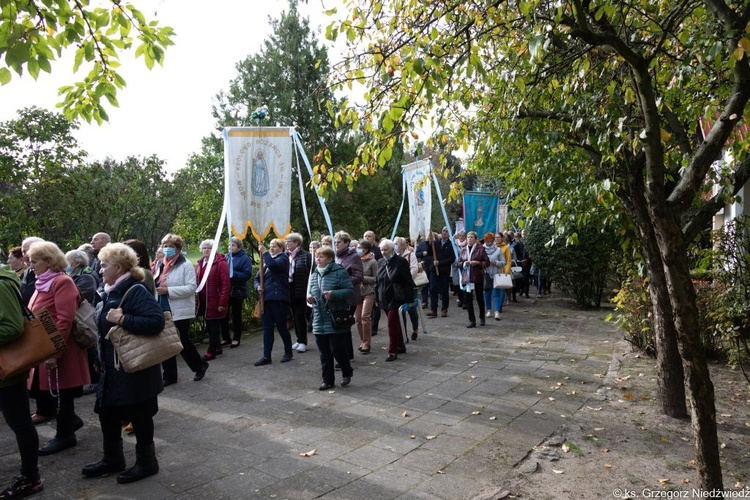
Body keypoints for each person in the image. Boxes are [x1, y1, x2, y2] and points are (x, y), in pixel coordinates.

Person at [81, 243, 165, 484]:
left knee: (140, 416)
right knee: (107, 414)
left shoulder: (134, 290)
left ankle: (147, 463)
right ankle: (113, 459)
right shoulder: (108, 290)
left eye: (104, 264)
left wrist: (124, 318)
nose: (99, 268)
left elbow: (155, 322)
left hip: (134, 368)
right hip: (112, 370)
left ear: (118, 267)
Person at [27, 241, 90, 455]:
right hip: (49, 346)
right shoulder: (44, 280)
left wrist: (55, 352)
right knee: (57, 392)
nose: (30, 264)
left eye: (34, 261)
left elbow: (64, 320)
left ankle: (65, 435)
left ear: (49, 261)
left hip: (62, 348)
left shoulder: (61, 281)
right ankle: (69, 423)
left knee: (61, 392)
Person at [0, 266, 44, 498]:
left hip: (7, 372)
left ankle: (30, 478)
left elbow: (13, 327)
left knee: (20, 424)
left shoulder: (1, 283)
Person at [154, 234, 208, 385]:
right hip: (161, 308)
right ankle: (169, 376)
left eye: (170, 246)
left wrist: (168, 290)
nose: (167, 249)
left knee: (181, 341)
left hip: (179, 309)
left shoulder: (186, 266)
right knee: (165, 342)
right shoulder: (160, 264)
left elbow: (191, 288)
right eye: (165, 246)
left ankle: (199, 365)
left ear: (178, 249)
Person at [307, 246, 355, 390]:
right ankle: (327, 380)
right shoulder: (314, 273)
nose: (318, 259)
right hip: (318, 318)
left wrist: (333, 294)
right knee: (324, 353)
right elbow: (311, 291)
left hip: (334, 318)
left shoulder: (339, 272)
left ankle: (347, 371)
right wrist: (311, 299)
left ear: (329, 259)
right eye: (317, 256)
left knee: (337, 349)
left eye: (321, 257)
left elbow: (350, 291)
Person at [252, 239, 294, 366]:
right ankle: (266, 356)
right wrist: (257, 286)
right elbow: (256, 278)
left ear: (281, 248)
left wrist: (264, 253)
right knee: (267, 329)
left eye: (274, 246)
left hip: (279, 298)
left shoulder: (283, 258)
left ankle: (288, 352)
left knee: (281, 326)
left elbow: (274, 266)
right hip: (266, 299)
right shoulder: (266, 262)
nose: (271, 249)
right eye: (270, 246)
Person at [376, 239, 415, 362]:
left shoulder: (400, 261)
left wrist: (409, 299)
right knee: (395, 323)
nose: (383, 252)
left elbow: (408, 281)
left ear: (392, 249)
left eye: (385, 249)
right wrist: (377, 297)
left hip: (395, 297)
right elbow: (378, 281)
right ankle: (400, 346)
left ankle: (392, 350)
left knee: (391, 324)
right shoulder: (380, 261)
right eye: (381, 250)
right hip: (384, 297)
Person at [195, 240, 230, 361]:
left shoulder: (221, 263)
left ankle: (211, 351)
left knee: (214, 326)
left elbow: (226, 284)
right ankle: (218, 347)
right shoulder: (200, 263)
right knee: (210, 326)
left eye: (209, 248)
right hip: (203, 300)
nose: (206, 250)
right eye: (204, 248)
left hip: (215, 300)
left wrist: (222, 303)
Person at [333, 231, 363, 360]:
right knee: (341, 327)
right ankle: (347, 355)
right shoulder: (336, 256)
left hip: (349, 297)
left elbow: (358, 276)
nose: (336, 244)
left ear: (346, 243)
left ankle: (345, 356)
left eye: (338, 242)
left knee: (343, 326)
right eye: (335, 242)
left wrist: (341, 282)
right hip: (338, 297)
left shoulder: (353, 256)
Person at [221, 238, 252, 348]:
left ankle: (236, 338)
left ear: (239, 246)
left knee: (236, 315)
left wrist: (232, 274)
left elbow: (247, 275)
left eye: (233, 245)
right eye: (229, 246)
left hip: (237, 291)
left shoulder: (244, 258)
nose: (230, 247)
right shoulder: (225, 257)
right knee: (223, 314)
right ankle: (225, 337)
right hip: (225, 290)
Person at [285, 233, 312, 353]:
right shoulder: (286, 256)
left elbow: (311, 273)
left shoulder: (306, 256)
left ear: (296, 243)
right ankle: (298, 339)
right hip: (289, 290)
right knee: (294, 317)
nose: (286, 244)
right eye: (286, 242)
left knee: (300, 316)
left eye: (289, 242)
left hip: (301, 291)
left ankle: (303, 341)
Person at [457, 231, 489, 328]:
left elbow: (487, 262)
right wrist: (463, 264)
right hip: (467, 278)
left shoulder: (481, 249)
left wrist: (477, 263)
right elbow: (458, 263)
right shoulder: (463, 250)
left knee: (479, 298)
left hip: (477, 276)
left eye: (471, 237)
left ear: (475, 239)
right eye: (468, 237)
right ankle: (472, 320)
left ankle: (482, 317)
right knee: (468, 300)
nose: (469, 239)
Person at [394, 236, 420, 341]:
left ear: (402, 245)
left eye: (397, 244)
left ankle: (415, 328)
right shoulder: (393, 256)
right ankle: (404, 334)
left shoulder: (410, 255)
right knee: (401, 312)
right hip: (398, 288)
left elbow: (414, 270)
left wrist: (404, 279)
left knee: (411, 309)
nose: (395, 246)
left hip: (409, 287)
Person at [426, 227, 456, 318]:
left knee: (444, 290)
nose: (444, 233)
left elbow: (452, 258)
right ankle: (433, 309)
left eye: (447, 231)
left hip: (444, 270)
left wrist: (440, 262)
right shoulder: (436, 243)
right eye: (443, 231)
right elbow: (429, 253)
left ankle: (444, 309)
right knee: (433, 289)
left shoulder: (451, 245)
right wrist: (429, 243)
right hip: (434, 269)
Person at [354, 240, 377, 354]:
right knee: (357, 319)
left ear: (366, 249)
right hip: (357, 292)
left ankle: (367, 343)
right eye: (357, 247)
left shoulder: (373, 262)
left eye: (360, 247)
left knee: (365, 316)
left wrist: (363, 278)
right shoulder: (355, 260)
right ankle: (362, 340)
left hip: (369, 292)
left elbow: (376, 279)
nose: (357, 249)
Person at [482, 233, 506, 321]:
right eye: (487, 241)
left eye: (491, 241)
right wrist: (485, 263)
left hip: (496, 273)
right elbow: (479, 261)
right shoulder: (482, 249)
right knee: (487, 292)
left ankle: (497, 311)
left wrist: (496, 262)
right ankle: (488, 310)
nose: (489, 243)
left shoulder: (498, 250)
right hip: (486, 273)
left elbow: (504, 262)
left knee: (496, 293)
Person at [495, 233, 513, 318]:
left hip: (502, 271)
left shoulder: (506, 247)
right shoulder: (493, 247)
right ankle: (496, 305)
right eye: (496, 237)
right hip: (494, 271)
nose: (497, 239)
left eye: (498, 237)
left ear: (502, 238)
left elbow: (508, 260)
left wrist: (507, 271)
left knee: (501, 289)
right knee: (495, 290)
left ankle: (499, 306)